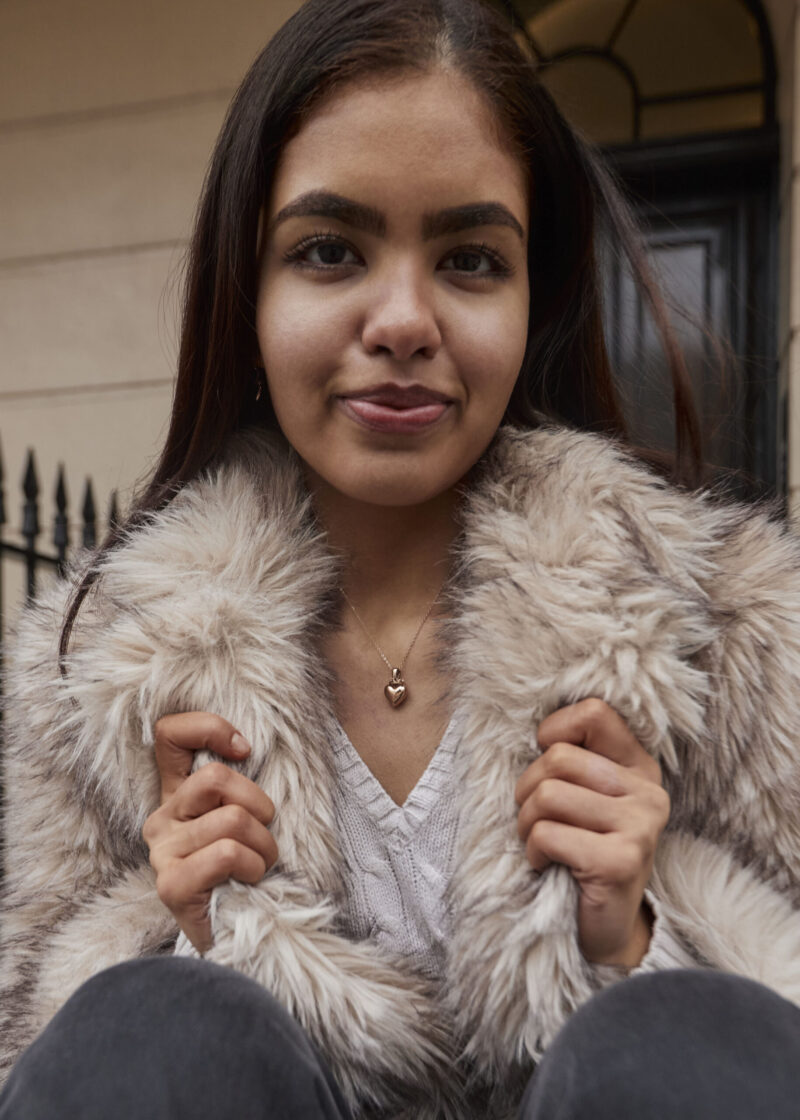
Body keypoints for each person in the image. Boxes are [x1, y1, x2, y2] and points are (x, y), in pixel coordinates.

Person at [1, 0, 799, 1116]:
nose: (402, 319)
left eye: (470, 259)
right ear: (249, 286)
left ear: (536, 297)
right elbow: (25, 1052)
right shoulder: (93, 670)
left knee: (677, 1037)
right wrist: (184, 944)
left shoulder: (720, 622)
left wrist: (636, 944)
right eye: (329, 251)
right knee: (149, 1029)